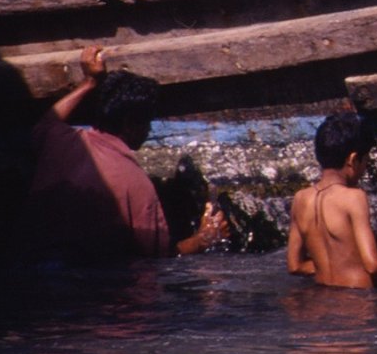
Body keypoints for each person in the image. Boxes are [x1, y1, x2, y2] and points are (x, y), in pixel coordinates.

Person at [23, 45, 227, 262]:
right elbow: (159, 259)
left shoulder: (59, 142)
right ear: (130, 124)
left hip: (35, 267)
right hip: (94, 285)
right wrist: (203, 239)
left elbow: (48, 120)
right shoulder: (135, 185)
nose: (149, 130)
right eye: (147, 121)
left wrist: (90, 82)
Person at [287, 111, 377, 289]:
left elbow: (295, 266)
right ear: (353, 159)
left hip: (322, 297)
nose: (365, 169)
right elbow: (373, 264)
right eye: (365, 160)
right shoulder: (354, 197)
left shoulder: (300, 199)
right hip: (358, 303)